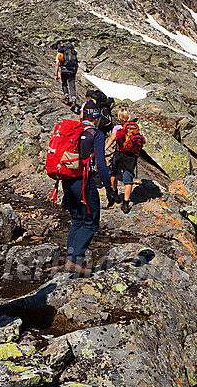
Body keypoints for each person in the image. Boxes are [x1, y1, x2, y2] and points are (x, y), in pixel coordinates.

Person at [60, 101, 115, 276]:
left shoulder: (74, 130)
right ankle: (75, 260)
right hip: (84, 181)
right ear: (97, 118)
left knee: (77, 219)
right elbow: (101, 164)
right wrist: (109, 189)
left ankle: (70, 259)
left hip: (67, 179)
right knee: (91, 222)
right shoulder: (96, 134)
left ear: (83, 114)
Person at [104, 109, 139, 214]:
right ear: (128, 117)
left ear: (119, 118)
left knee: (113, 173)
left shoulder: (118, 128)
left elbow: (112, 139)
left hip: (119, 154)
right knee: (128, 179)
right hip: (131, 156)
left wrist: (104, 149)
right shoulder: (135, 128)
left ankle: (115, 194)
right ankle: (126, 203)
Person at [54, 43, 79, 113]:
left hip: (64, 70)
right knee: (72, 86)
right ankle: (74, 101)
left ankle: (66, 98)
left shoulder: (60, 53)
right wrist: (75, 73)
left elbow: (57, 64)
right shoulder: (73, 53)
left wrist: (56, 74)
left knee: (64, 84)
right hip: (72, 71)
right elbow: (77, 65)